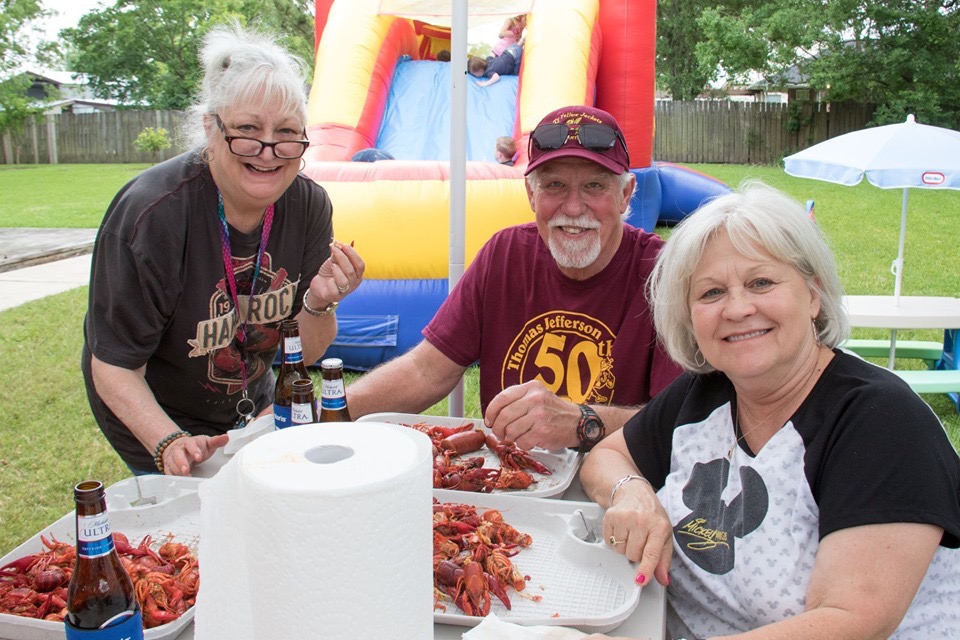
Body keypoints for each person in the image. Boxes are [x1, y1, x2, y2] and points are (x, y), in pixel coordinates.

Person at [579, 182, 960, 639]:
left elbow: (852, 622)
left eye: (761, 282)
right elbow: (607, 457)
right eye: (711, 292)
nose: (738, 308)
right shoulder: (705, 393)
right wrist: (633, 492)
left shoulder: (880, 421)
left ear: (814, 294)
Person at [81, 23, 365, 477]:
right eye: (248, 129)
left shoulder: (308, 205)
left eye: (287, 132)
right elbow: (114, 365)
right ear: (209, 127)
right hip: (156, 408)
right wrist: (169, 441)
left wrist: (319, 301)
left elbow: (301, 354)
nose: (268, 150)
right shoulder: (151, 216)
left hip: (249, 403)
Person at [346, 105, 682, 451]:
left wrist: (582, 422)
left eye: (594, 186)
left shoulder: (664, 273)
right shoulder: (504, 254)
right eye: (555, 185)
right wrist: (329, 412)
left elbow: (681, 423)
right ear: (531, 195)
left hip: (620, 485)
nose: (573, 207)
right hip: (512, 482)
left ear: (625, 194)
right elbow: (426, 371)